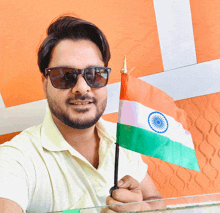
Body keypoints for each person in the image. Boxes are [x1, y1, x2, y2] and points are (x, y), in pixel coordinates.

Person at [0, 15, 166, 212]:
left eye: (94, 74)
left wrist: (143, 208)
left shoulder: (121, 136)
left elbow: (156, 200)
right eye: (65, 76)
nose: (82, 88)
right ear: (45, 84)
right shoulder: (17, 158)